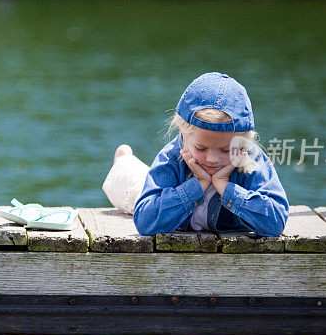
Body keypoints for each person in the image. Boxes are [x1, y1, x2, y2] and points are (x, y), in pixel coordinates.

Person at [102, 72, 288, 236]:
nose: (212, 159)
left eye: (225, 150)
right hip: (156, 192)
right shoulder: (172, 156)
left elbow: (276, 221)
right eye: (201, 148)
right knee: (133, 188)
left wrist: (226, 188)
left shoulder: (250, 158)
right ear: (184, 135)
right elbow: (145, 221)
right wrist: (196, 186)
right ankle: (123, 159)